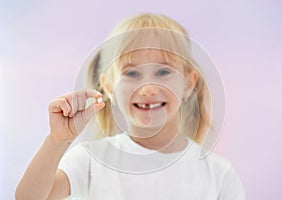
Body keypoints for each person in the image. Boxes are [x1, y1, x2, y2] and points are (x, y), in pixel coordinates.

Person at [15, 13, 246, 200]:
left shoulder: (218, 175)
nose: (147, 88)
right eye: (132, 73)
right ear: (108, 87)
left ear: (188, 84)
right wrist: (57, 140)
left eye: (163, 71)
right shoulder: (90, 160)